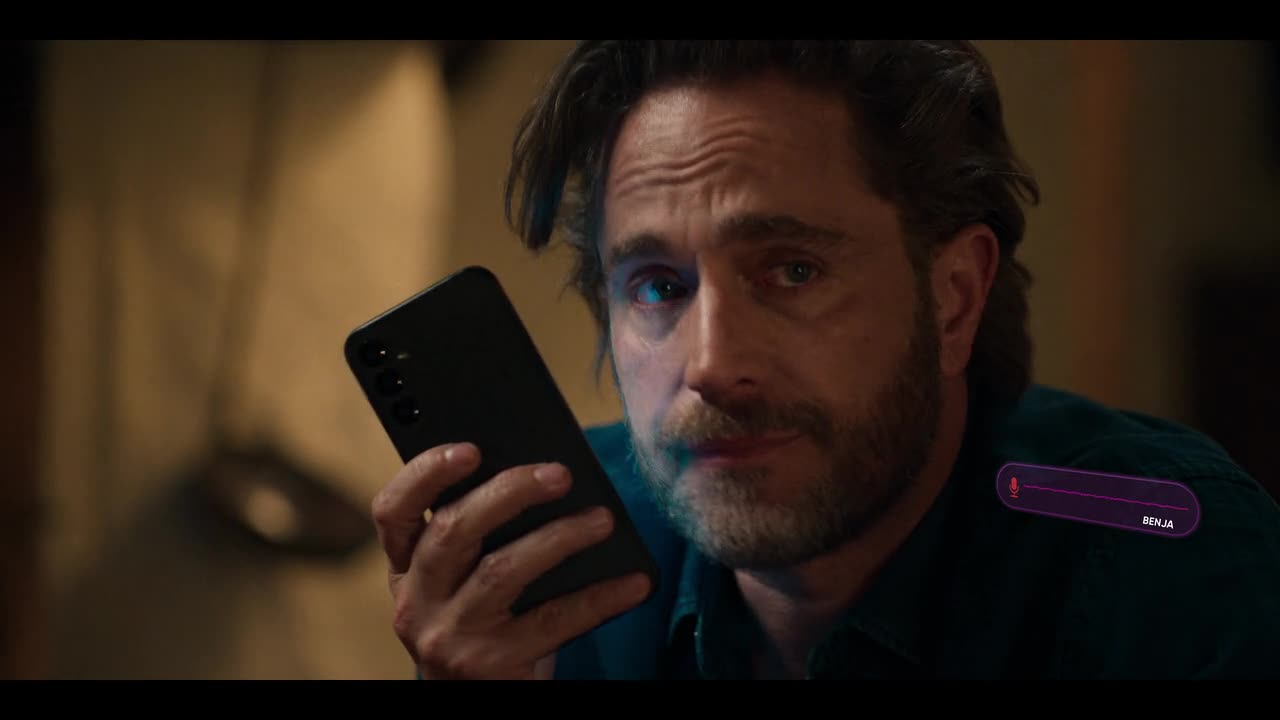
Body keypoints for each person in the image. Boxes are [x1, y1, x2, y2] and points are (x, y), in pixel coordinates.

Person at [371, 40, 1280, 680]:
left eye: (793, 270)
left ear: (954, 297)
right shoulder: (552, 573)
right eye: (657, 287)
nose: (711, 364)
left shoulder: (1169, 560)